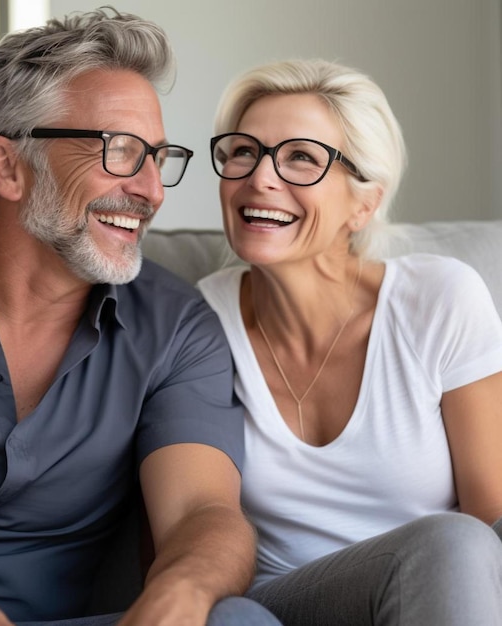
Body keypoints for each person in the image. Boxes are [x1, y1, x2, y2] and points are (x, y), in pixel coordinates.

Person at [0, 8, 282, 626]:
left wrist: (185, 589)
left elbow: (205, 513)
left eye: (158, 155)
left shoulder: (176, 328)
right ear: (8, 166)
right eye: (120, 151)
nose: (152, 190)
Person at [198, 58, 502, 624]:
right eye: (244, 150)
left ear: (363, 204)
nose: (261, 177)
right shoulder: (196, 323)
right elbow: (178, 529)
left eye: (301, 158)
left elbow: (493, 519)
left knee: (458, 542)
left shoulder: (439, 300)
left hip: (433, 592)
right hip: (275, 608)